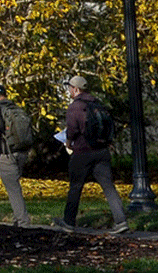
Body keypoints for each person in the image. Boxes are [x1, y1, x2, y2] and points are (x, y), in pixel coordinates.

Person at [54, 74, 129, 233]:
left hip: (82, 152)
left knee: (75, 187)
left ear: (75, 89)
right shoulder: (97, 104)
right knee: (109, 187)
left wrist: (68, 143)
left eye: (69, 88)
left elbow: (73, 130)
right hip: (101, 151)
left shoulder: (76, 106)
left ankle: (68, 222)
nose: (69, 91)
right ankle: (121, 221)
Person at [0, 85, 33, 225]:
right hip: (22, 153)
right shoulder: (17, 109)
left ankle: (22, 221)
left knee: (13, 189)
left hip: (6, 155)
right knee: (15, 186)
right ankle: (18, 219)